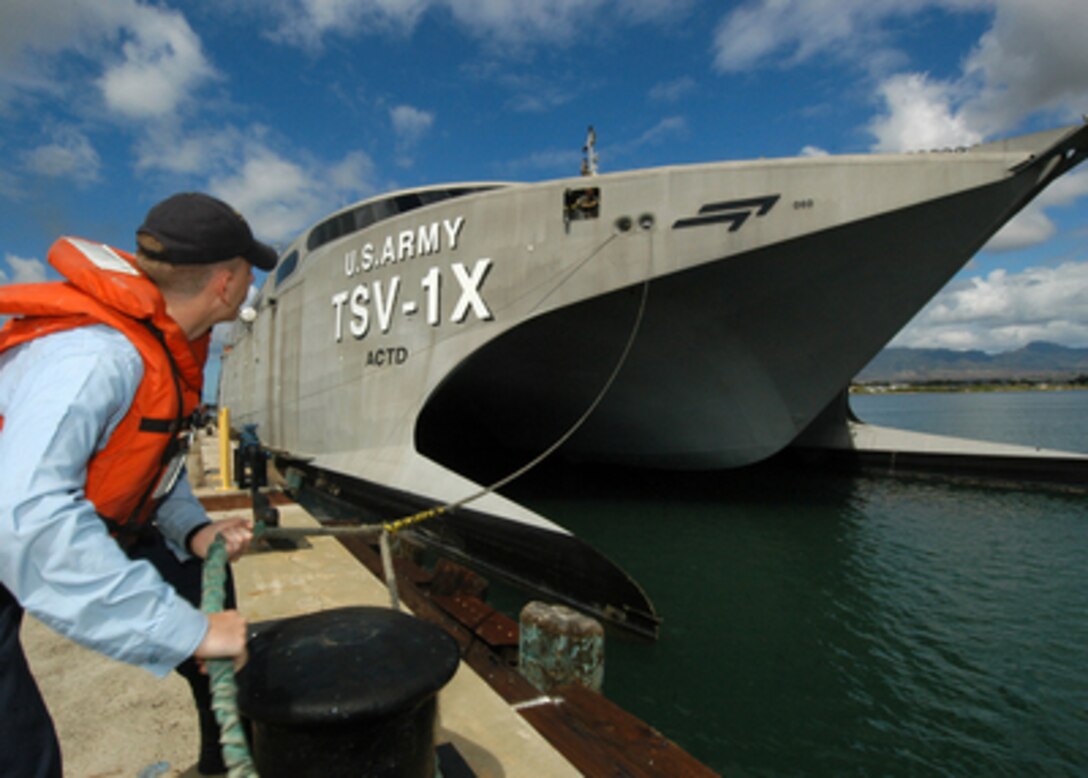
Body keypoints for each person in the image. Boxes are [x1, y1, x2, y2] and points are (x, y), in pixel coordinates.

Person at [0, 192, 278, 777]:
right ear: (225, 284)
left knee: (205, 587)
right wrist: (186, 630)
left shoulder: (162, 349)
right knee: (22, 753)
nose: (252, 281)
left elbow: (149, 464)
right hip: (17, 529)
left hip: (76, 526)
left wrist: (195, 530)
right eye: (248, 269)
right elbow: (27, 521)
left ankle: (219, 763)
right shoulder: (94, 357)